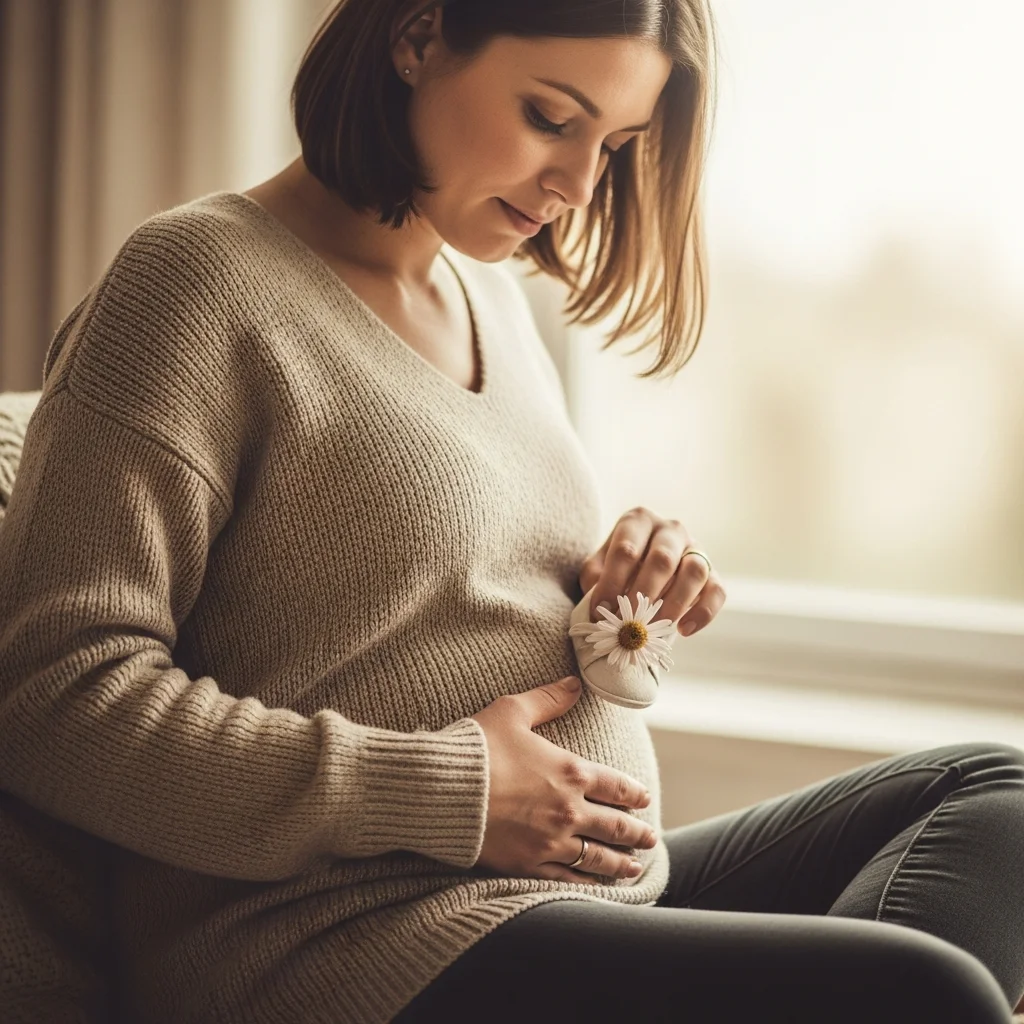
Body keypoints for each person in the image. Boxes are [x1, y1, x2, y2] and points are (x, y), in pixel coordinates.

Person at [0, 0, 1022, 1021]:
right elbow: (54, 700)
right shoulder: (193, 282)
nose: (579, 187)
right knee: (925, 992)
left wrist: (624, 612)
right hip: (352, 937)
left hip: (585, 896)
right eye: (550, 117)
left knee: (996, 797)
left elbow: (434, 617)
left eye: (614, 145)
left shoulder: (493, 298)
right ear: (417, 38)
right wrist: (446, 790)